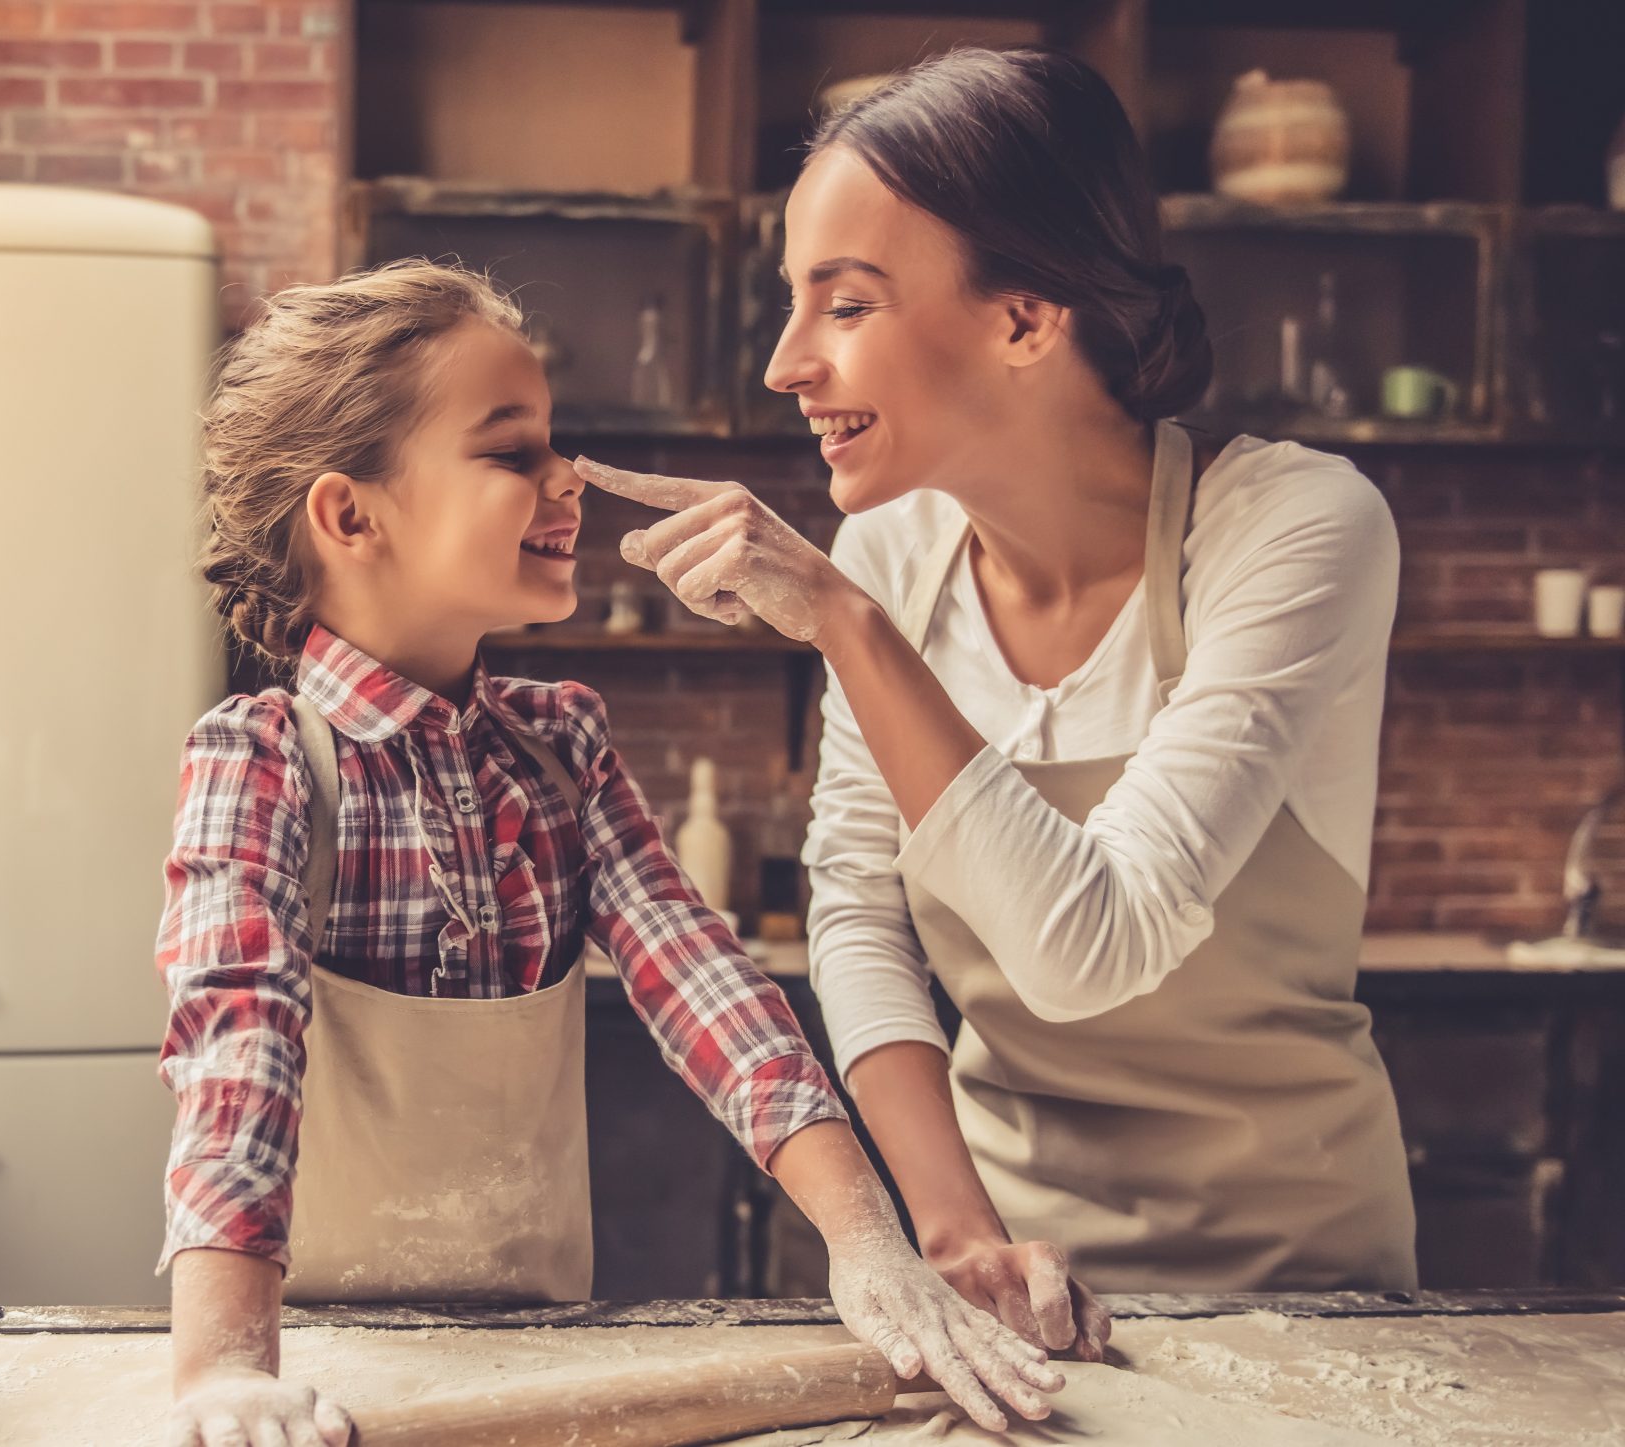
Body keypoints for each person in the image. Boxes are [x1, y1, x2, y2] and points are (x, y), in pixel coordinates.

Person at [594, 45, 1418, 1364]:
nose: (784, 364)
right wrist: (959, 1229)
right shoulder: (893, 554)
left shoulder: (1295, 529)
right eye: (791, 304)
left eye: (845, 305)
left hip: (1299, 1282)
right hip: (1008, 1267)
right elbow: (856, 901)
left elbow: (1095, 940)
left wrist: (847, 627)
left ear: (1026, 320)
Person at [156, 260, 1065, 1447]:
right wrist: (225, 1370)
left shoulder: (557, 746)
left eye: (556, 443)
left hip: (546, 1357)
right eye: (510, 451)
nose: (565, 480)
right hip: (320, 1376)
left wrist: (866, 1242)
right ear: (349, 514)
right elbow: (239, 1058)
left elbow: (708, 987)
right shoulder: (264, 759)